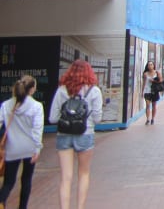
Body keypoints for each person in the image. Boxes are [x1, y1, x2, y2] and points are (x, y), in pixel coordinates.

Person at [49, 60, 103, 209]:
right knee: (83, 174)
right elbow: (98, 118)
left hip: (64, 134)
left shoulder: (61, 90)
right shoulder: (94, 91)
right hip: (85, 134)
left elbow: (53, 118)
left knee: (65, 178)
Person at [0, 75, 44, 209]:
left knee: (8, 181)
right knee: (26, 180)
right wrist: (37, 148)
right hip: (29, 148)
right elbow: (38, 129)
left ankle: (1, 202)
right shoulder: (36, 106)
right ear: (31, 89)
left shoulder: (6, 105)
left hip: (12, 148)